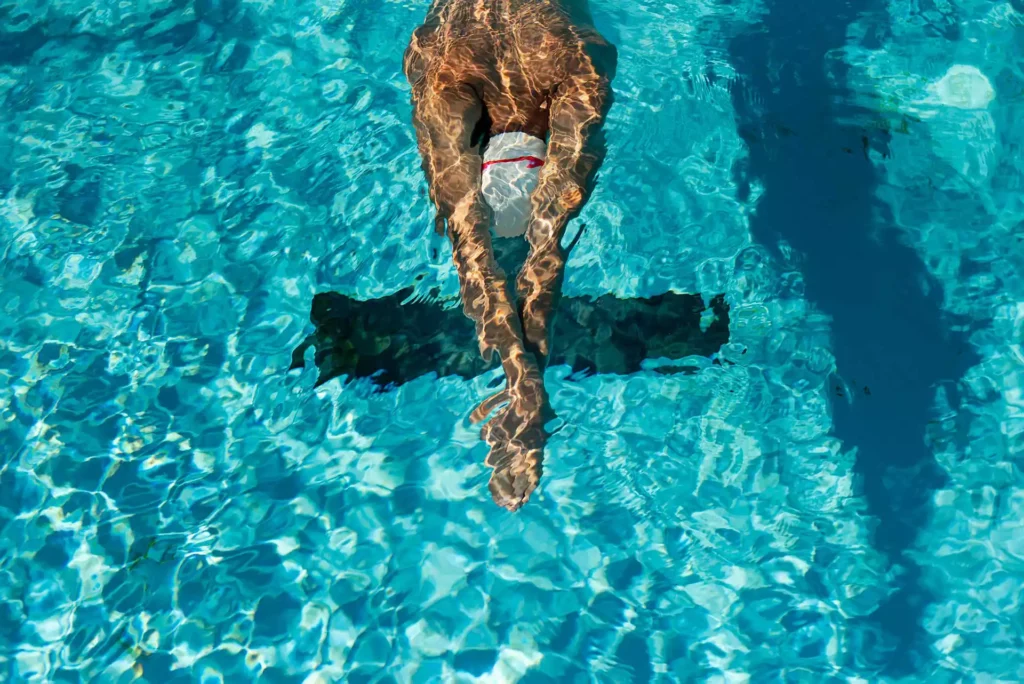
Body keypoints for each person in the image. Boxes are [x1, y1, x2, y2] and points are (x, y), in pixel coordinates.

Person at [404, 0, 614, 511]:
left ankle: (521, 380)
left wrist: (519, 369)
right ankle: (527, 385)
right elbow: (545, 244)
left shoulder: (439, 58)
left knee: (469, 243)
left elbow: (470, 243)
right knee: (549, 237)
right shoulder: (580, 56)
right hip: (560, 43)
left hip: (456, 50)